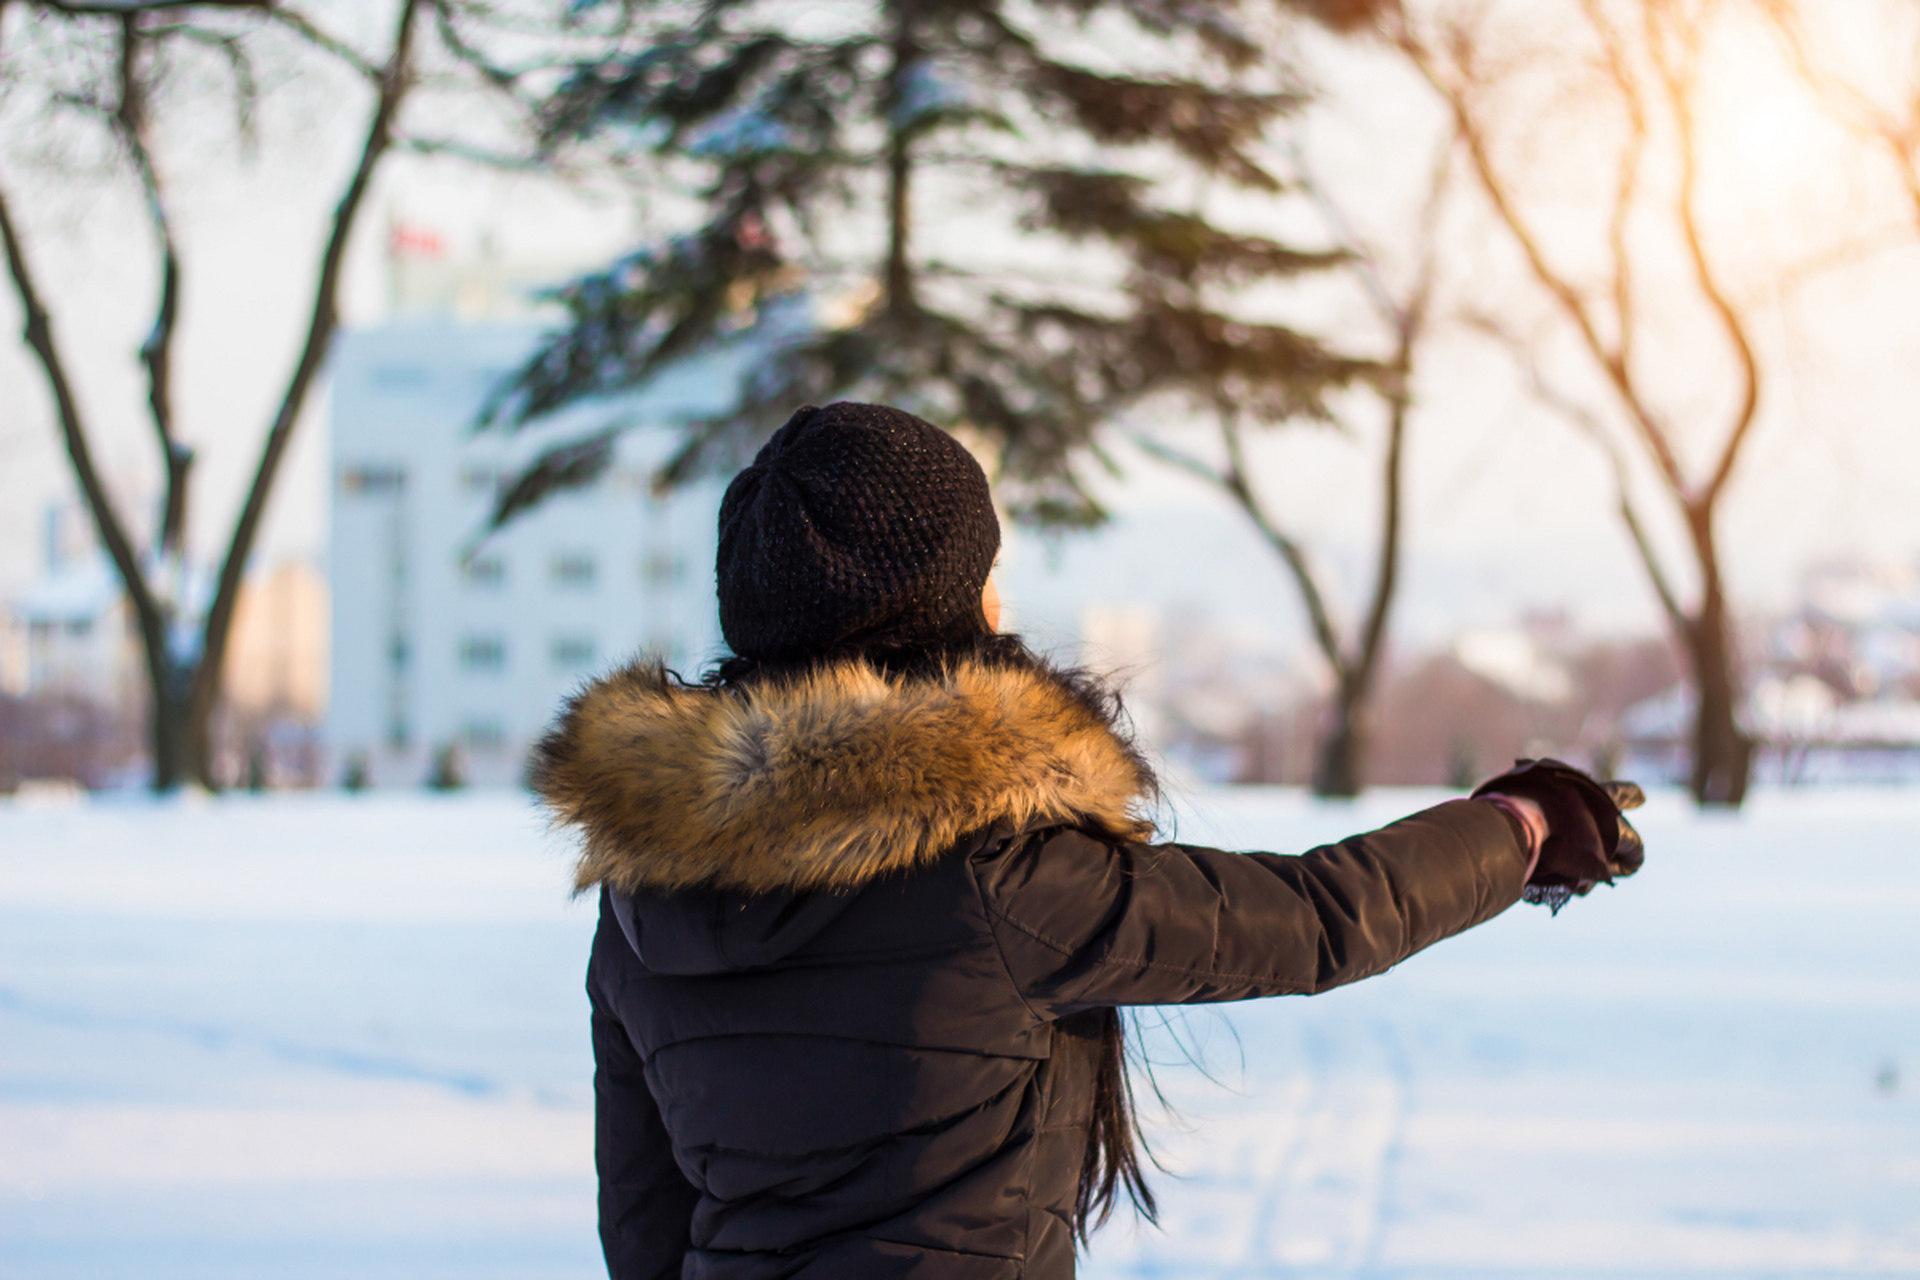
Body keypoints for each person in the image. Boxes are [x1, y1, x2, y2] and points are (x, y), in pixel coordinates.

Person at [532, 402, 1645, 1280]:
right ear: (950, 605)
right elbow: (1311, 923)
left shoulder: (645, 887)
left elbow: (642, 1217)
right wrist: (1520, 825)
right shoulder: (994, 877)